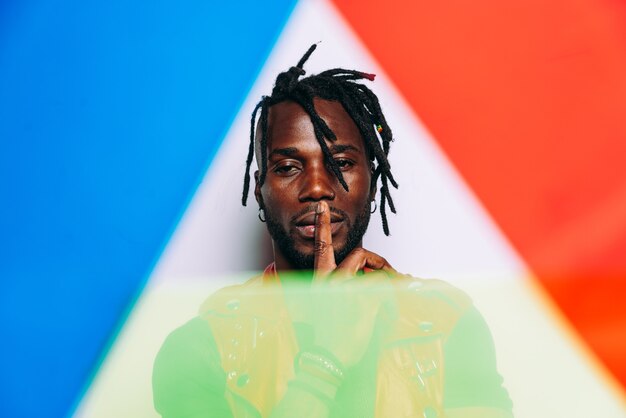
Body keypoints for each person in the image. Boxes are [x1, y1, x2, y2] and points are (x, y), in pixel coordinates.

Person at [152, 44, 513, 418]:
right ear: (260, 191)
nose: (318, 187)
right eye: (289, 167)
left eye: (340, 162)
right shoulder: (201, 350)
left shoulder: (444, 325)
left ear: (372, 182)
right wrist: (325, 361)